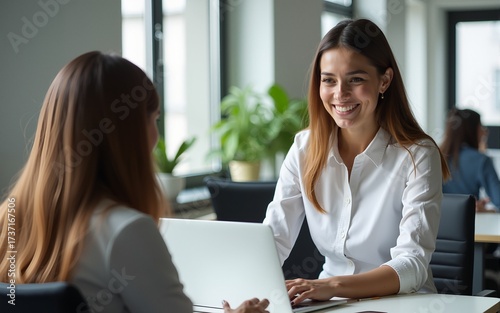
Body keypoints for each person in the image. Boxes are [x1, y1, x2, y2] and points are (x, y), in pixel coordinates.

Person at [0, 51, 269, 313]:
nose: (156, 136)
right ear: (127, 133)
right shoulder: (126, 231)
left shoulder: (7, 218)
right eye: (154, 119)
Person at [263, 18, 450, 305]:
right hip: (328, 303)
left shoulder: (417, 155)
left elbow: (412, 264)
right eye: (329, 80)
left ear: (384, 80)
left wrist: (332, 285)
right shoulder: (305, 148)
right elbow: (273, 239)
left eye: (356, 79)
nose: (340, 94)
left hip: (403, 304)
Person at [441, 108, 500, 212]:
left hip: (436, 224)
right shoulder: (481, 160)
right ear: (471, 129)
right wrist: (488, 211)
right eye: (481, 126)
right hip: (468, 224)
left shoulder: (434, 156)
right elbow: (498, 200)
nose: (484, 131)